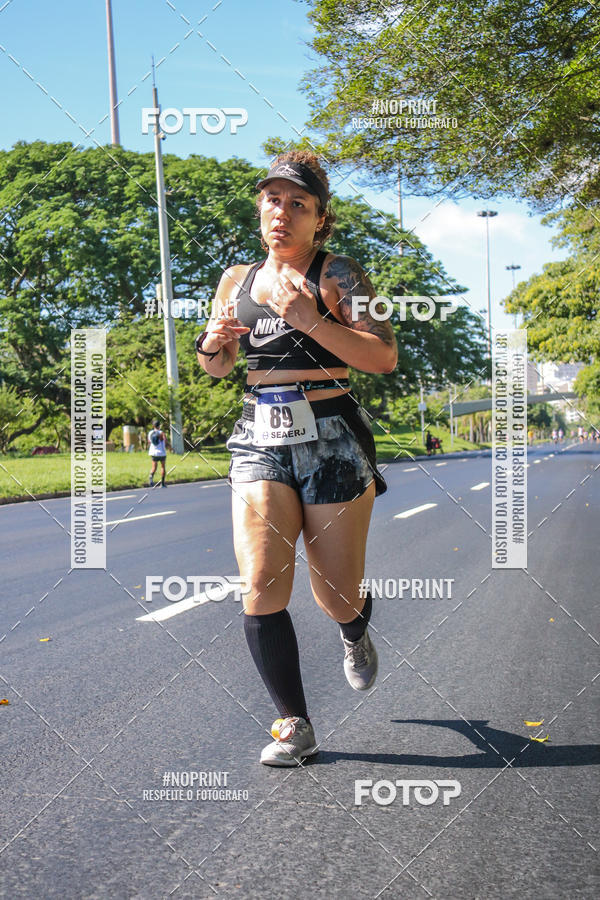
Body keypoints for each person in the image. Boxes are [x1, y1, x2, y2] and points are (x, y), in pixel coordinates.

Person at [196, 151, 397, 766]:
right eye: (272, 200)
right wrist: (214, 343)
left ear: (320, 219)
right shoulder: (236, 279)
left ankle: (354, 628)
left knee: (333, 591)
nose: (281, 213)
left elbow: (383, 356)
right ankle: (294, 724)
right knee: (259, 582)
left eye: (298, 204)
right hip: (259, 432)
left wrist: (309, 319)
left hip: (330, 433)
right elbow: (216, 364)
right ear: (260, 208)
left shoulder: (341, 275)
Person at [147, 420, 167, 487]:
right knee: (163, 467)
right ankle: (163, 483)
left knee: (154, 467)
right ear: (159, 426)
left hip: (153, 452)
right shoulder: (161, 433)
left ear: (153, 426)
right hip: (162, 453)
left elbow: (149, 442)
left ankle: (151, 479)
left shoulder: (150, 433)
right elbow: (165, 441)